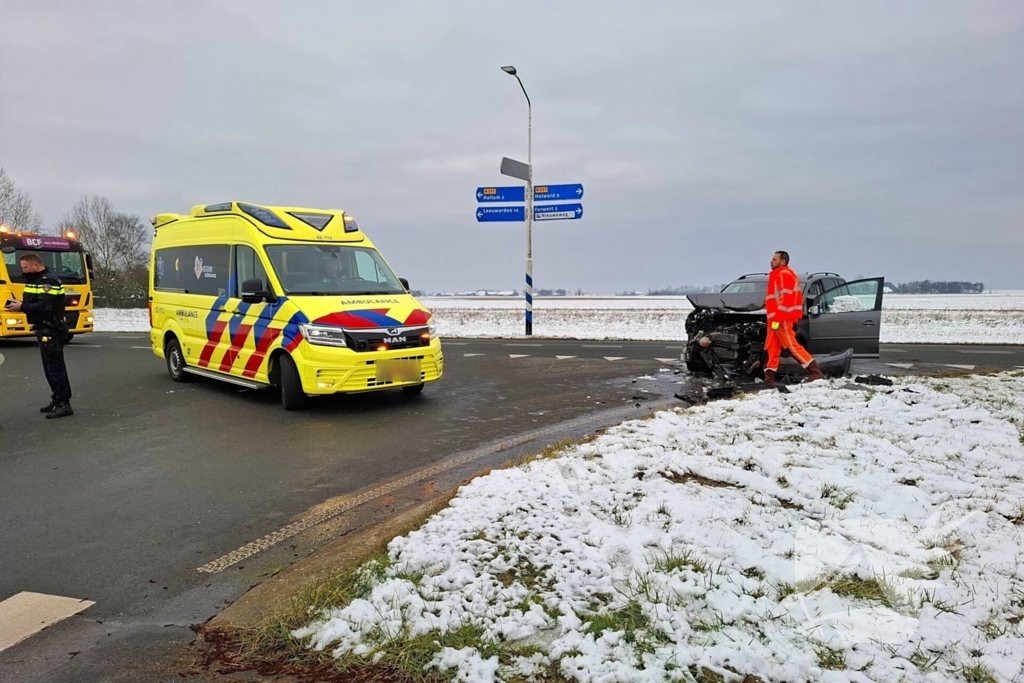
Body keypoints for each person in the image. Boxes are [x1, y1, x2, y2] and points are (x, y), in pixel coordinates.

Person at [5, 253, 74, 418]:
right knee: (49, 368)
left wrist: (22, 307)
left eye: (26, 267)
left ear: (36, 265)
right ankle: (57, 399)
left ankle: (64, 403)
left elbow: (44, 306)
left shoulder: (47, 282)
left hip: (51, 329)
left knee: (56, 368)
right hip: (42, 328)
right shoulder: (36, 280)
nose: (24, 271)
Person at [763, 250, 823, 387]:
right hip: (775, 320)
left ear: (782, 261)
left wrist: (778, 318)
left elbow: (786, 300)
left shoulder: (784, 275)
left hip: (781, 319)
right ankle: (769, 379)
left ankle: (815, 372)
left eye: (774, 259)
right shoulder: (777, 275)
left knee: (790, 344)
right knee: (773, 346)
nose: (771, 261)